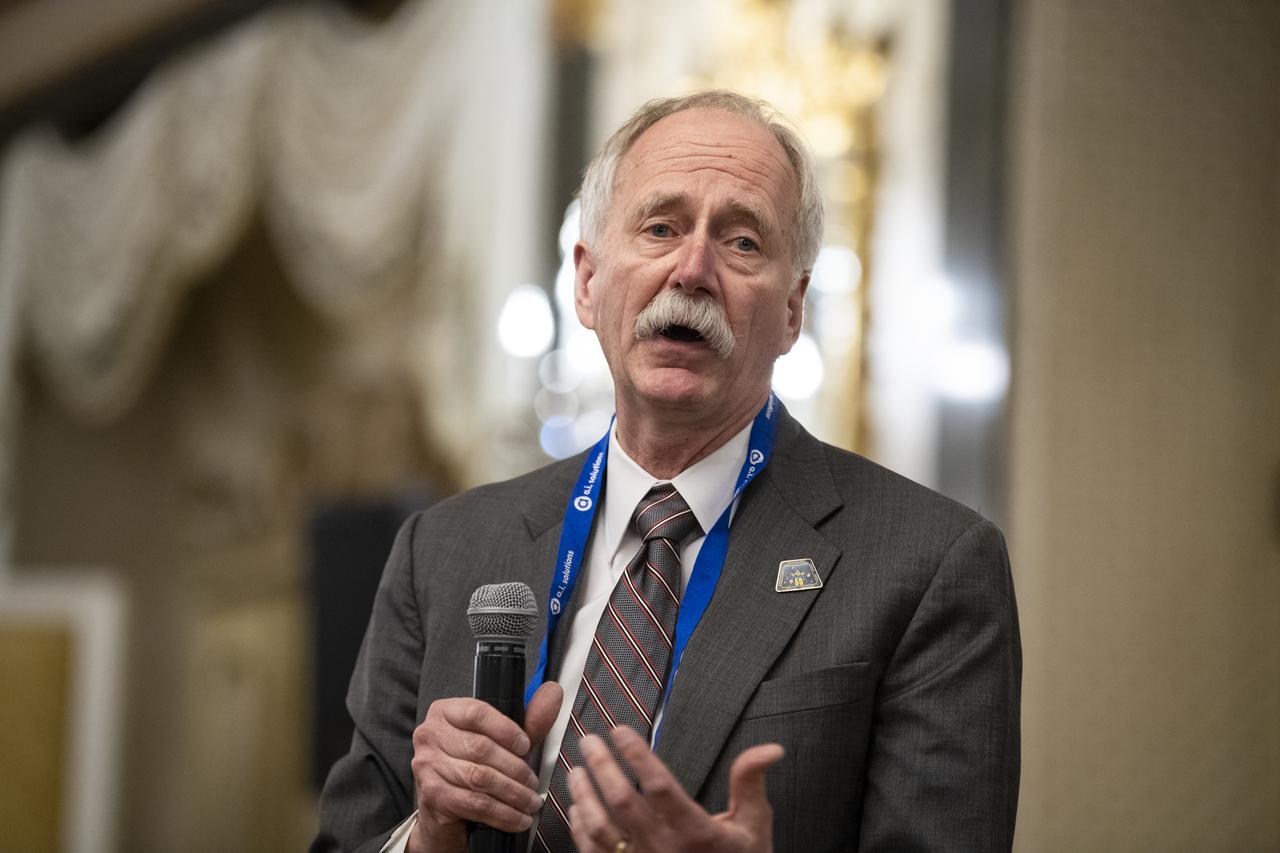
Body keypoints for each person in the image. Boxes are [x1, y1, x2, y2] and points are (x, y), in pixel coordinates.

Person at [314, 90, 1021, 853]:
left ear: (792, 310)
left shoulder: (931, 567)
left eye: (743, 241)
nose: (693, 269)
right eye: (660, 227)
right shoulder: (442, 549)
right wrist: (429, 834)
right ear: (586, 282)